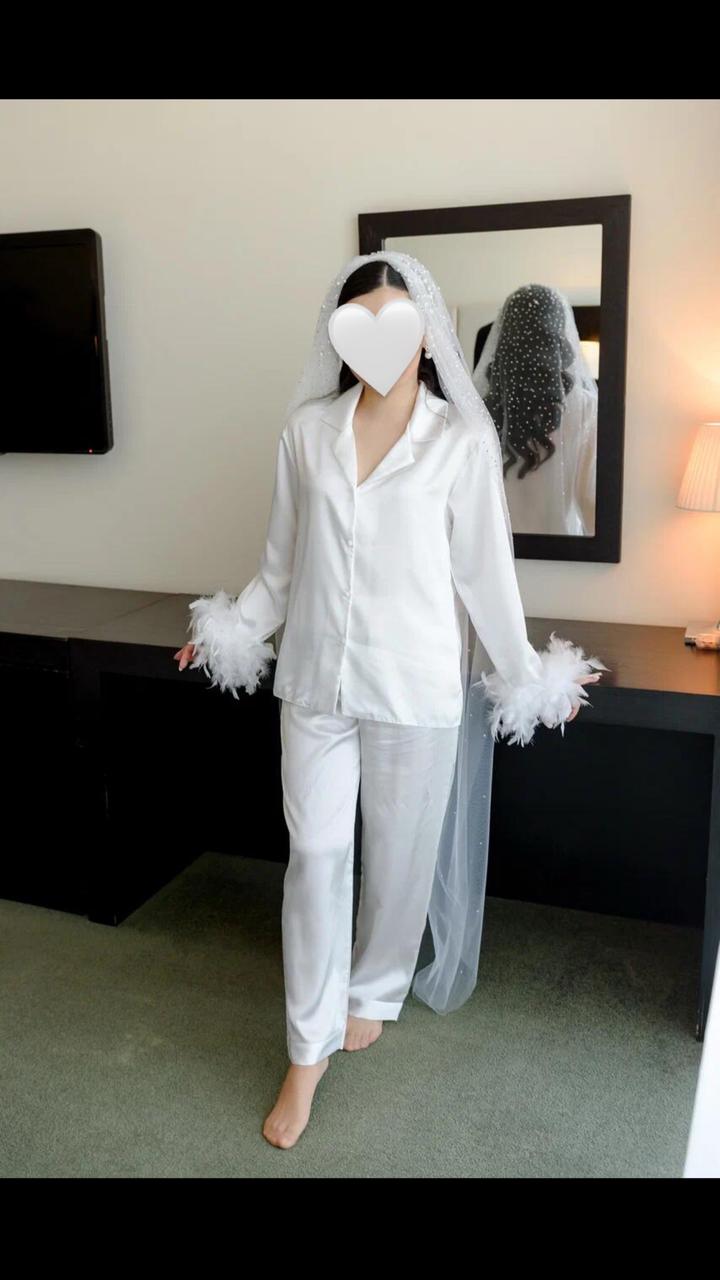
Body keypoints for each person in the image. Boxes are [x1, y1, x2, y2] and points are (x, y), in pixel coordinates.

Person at [174, 251, 609, 1150]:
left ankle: (372, 988)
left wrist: (529, 675)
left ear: (429, 335)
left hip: (414, 685)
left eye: (400, 325)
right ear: (339, 337)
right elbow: (280, 567)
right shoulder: (306, 433)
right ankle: (306, 1050)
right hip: (314, 681)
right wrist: (230, 630)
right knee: (316, 856)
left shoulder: (460, 444)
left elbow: (485, 579)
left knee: (401, 857)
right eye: (363, 324)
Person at [472, 283, 598, 536]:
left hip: (498, 550)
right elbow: (591, 501)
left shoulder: (479, 411)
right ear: (560, 337)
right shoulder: (585, 408)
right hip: (563, 552)